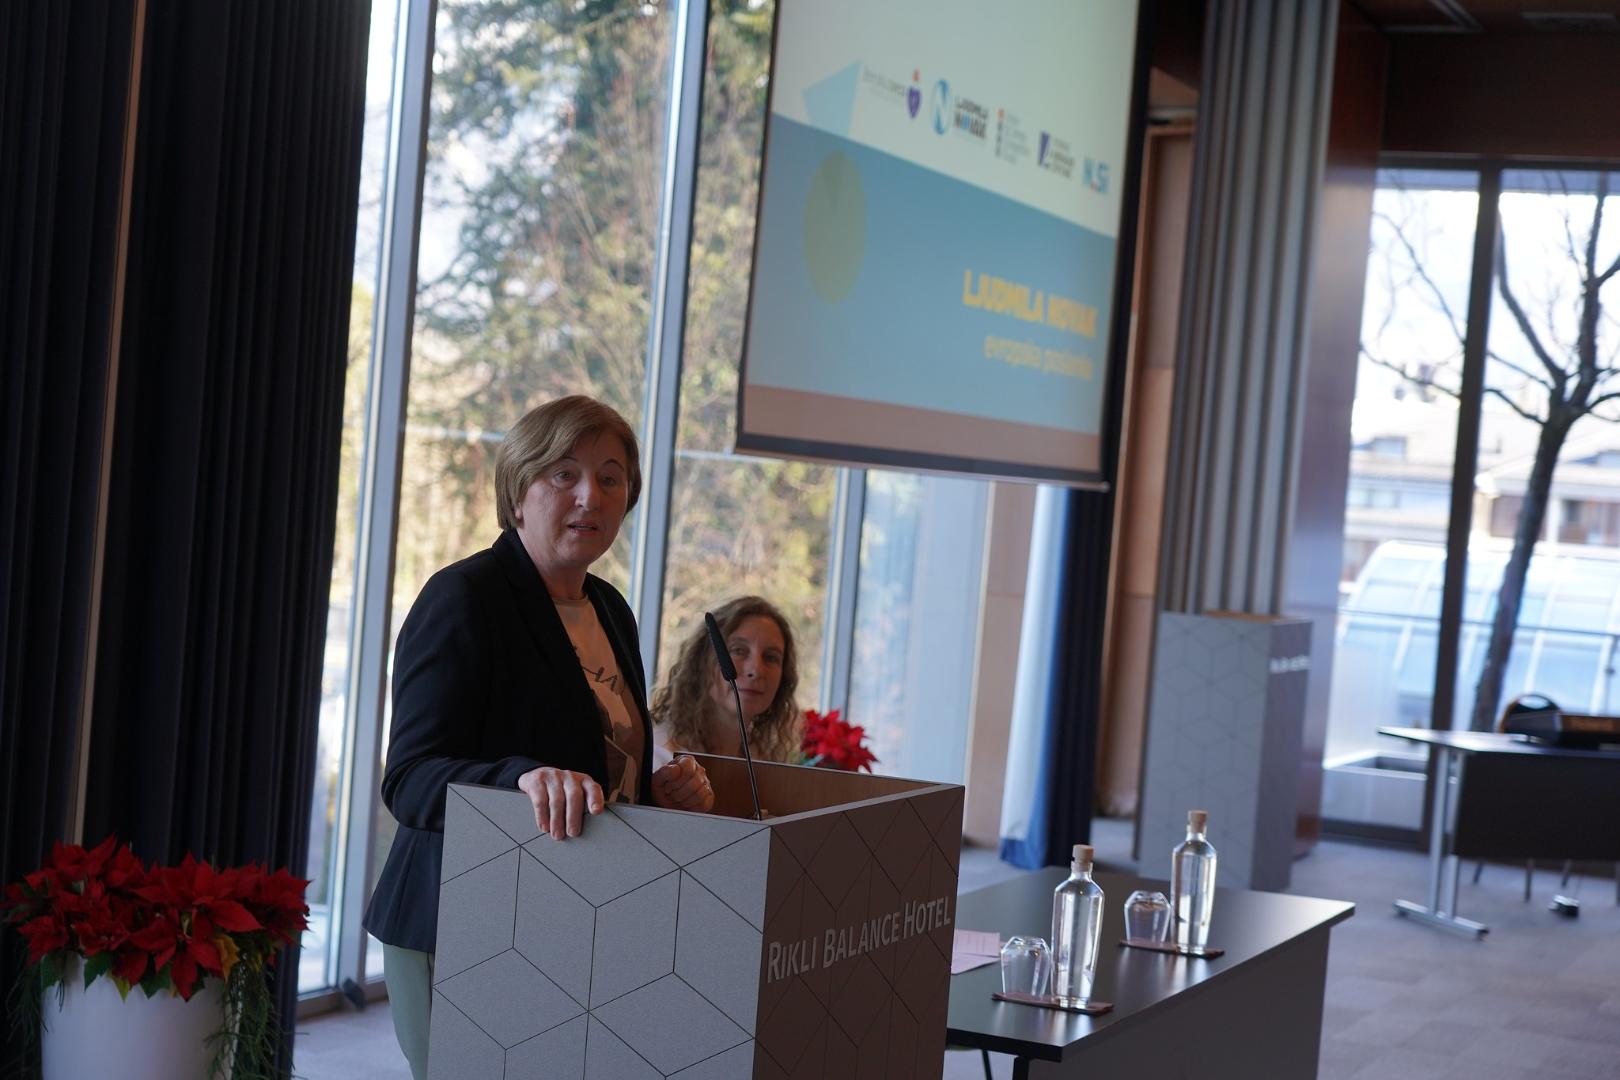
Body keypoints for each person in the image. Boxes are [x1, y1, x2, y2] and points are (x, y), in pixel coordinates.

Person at [362, 395, 715, 1080]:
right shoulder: (464, 597)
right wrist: (519, 777)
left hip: (576, 918)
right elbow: (409, 779)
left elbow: (595, 765)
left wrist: (657, 789)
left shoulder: (609, 608)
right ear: (519, 488)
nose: (590, 496)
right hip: (459, 922)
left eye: (610, 478)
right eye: (564, 474)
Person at [651, 595, 804, 764]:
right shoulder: (659, 756)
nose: (755, 670)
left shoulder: (765, 760)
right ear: (701, 661)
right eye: (738, 651)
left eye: (771, 657)